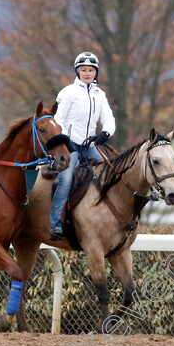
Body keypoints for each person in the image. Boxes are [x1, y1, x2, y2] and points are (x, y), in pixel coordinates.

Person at [49, 51, 116, 241]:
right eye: (83, 70)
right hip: (69, 147)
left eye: (91, 70)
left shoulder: (99, 94)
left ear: (96, 73)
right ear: (78, 72)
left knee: (109, 176)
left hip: (90, 146)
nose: (87, 73)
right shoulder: (68, 92)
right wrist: (66, 140)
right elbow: (57, 120)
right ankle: (55, 224)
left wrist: (105, 133)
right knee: (66, 180)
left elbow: (109, 119)